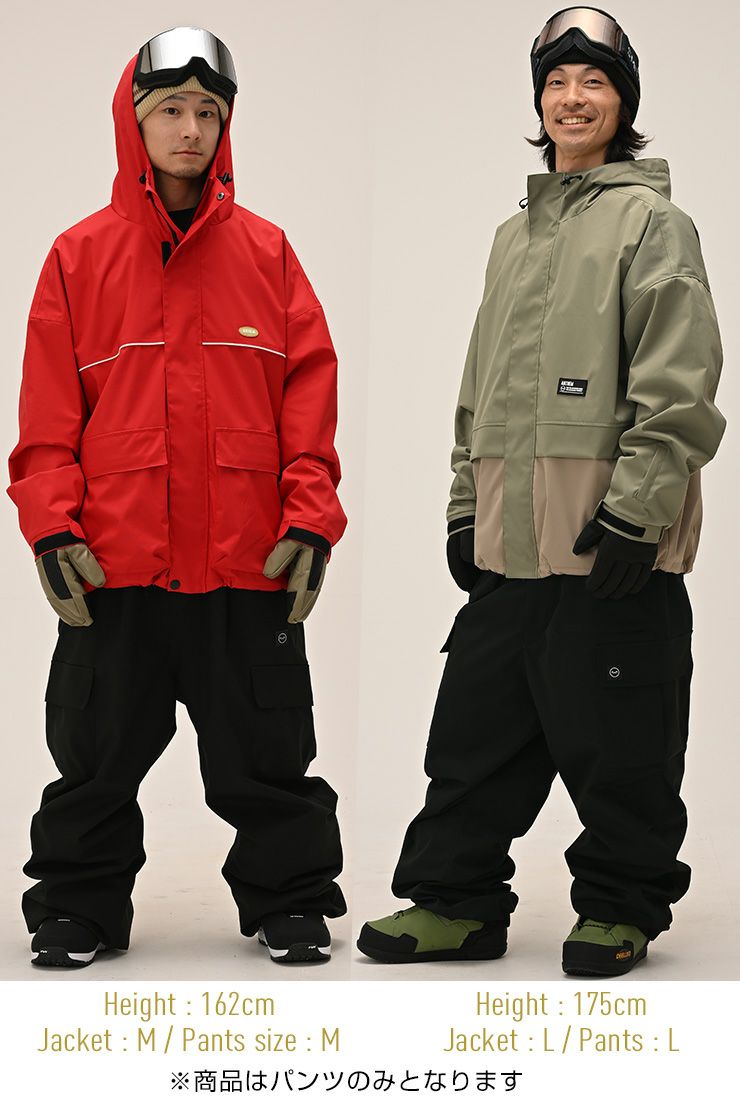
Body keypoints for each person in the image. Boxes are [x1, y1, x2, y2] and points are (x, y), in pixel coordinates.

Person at [357, 6, 725, 977]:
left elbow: (679, 383)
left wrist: (636, 513)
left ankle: (619, 908)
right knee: (471, 738)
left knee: (624, 746)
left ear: (623, 102)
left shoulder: (652, 224)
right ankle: (455, 903)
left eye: (593, 81)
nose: (572, 98)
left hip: (609, 547)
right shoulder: (512, 235)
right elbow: (479, 386)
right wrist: (462, 505)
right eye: (556, 82)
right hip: (510, 550)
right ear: (538, 101)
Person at [8, 27, 347, 968]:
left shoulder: (269, 254)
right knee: (95, 758)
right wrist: (51, 530)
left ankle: (290, 901)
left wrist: (310, 520)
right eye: (170, 111)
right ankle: (77, 908)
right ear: (135, 121)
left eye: (208, 111)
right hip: (116, 566)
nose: (191, 129)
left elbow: (309, 402)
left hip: (247, 563)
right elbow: (47, 417)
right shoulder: (79, 257)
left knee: (267, 757)